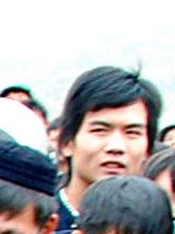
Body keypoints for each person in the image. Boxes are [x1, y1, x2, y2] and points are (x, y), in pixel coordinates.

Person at [54, 67, 161, 225]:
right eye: (100, 130)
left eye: (132, 133)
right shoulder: (37, 223)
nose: (116, 147)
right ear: (67, 142)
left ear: (148, 150)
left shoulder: (157, 227)